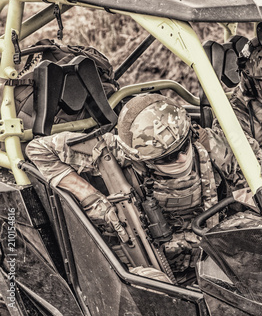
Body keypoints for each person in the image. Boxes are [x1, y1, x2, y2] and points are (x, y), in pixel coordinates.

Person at [25, 93, 248, 285]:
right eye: (167, 157)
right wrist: (91, 198)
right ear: (140, 159)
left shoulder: (208, 143)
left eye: (183, 147)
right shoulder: (113, 152)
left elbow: (255, 175)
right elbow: (38, 150)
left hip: (216, 256)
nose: (181, 159)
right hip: (157, 266)